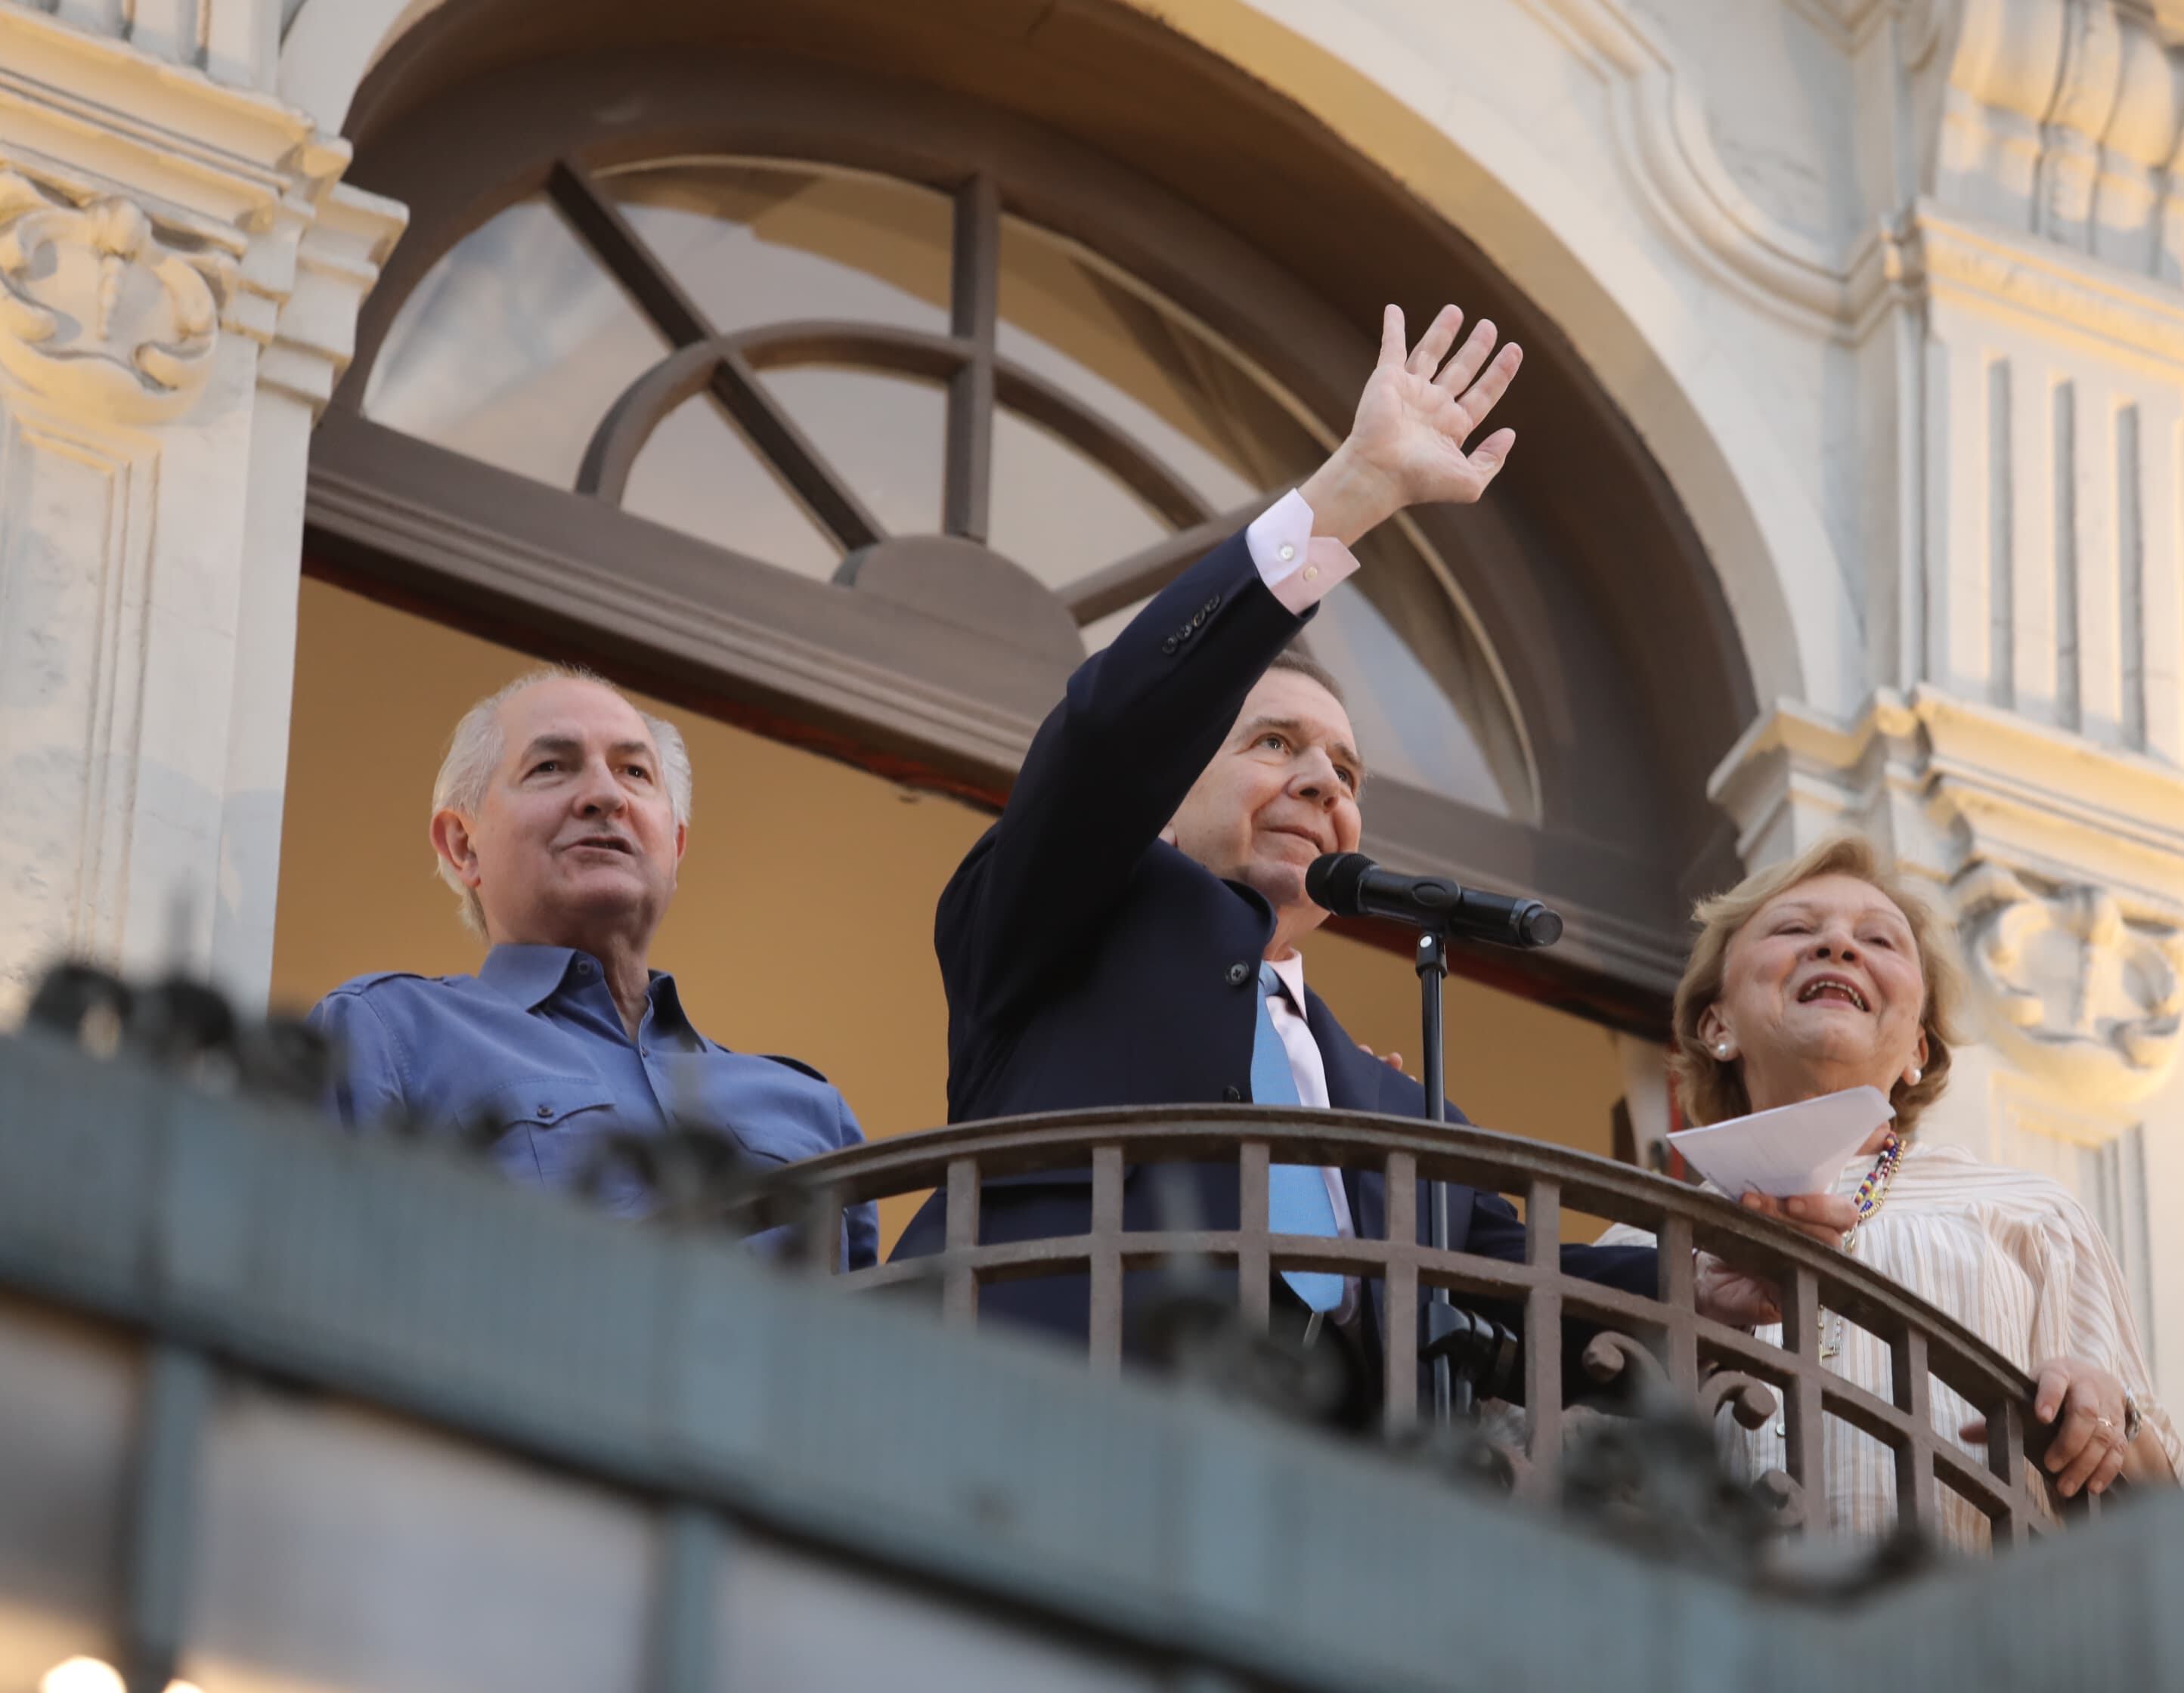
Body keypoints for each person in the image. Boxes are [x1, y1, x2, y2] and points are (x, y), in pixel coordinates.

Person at [895, 303, 1844, 1408]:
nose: (1321, 784)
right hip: (1040, 1425)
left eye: (1347, 773)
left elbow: (1530, 1280)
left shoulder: (1399, 1110)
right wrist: (1354, 493)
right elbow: (1111, 734)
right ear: (1167, 794)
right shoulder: (1059, 915)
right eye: (1273, 744)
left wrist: (1709, 1288)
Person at [1600, 832, 2184, 1543]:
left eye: (1878, 940)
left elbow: (2168, 1517)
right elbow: (1535, 1457)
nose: (1839, 947)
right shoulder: (1638, 1240)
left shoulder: (2029, 1216)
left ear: (1918, 1049)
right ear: (1717, 1024)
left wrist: (2108, 1418)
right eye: (1795, 929)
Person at [309, 666, 878, 1267]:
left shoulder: (811, 1108)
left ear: (676, 847)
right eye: (551, 767)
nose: (606, 796)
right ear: (462, 845)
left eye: (635, 772)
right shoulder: (390, 1034)